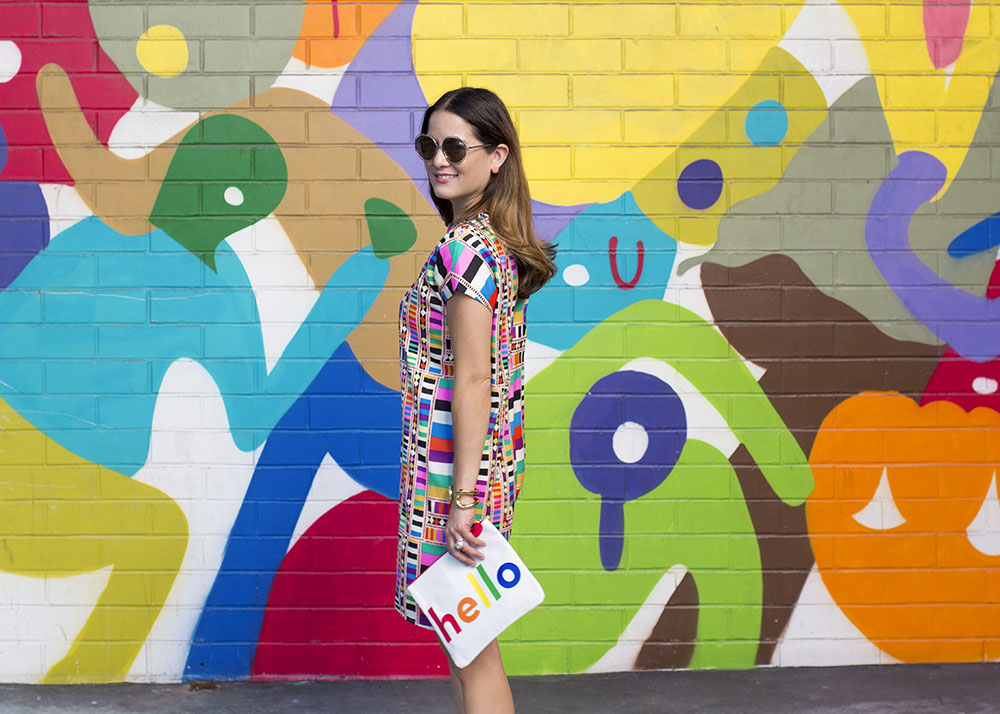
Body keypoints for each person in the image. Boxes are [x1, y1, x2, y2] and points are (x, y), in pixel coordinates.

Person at [395, 87, 557, 714]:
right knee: (468, 648)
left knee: (473, 652)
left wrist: (462, 499)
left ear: (496, 157)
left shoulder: (465, 250)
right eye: (429, 145)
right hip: (478, 469)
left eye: (455, 146)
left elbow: (472, 379)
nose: (438, 159)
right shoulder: (492, 243)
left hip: (454, 479)